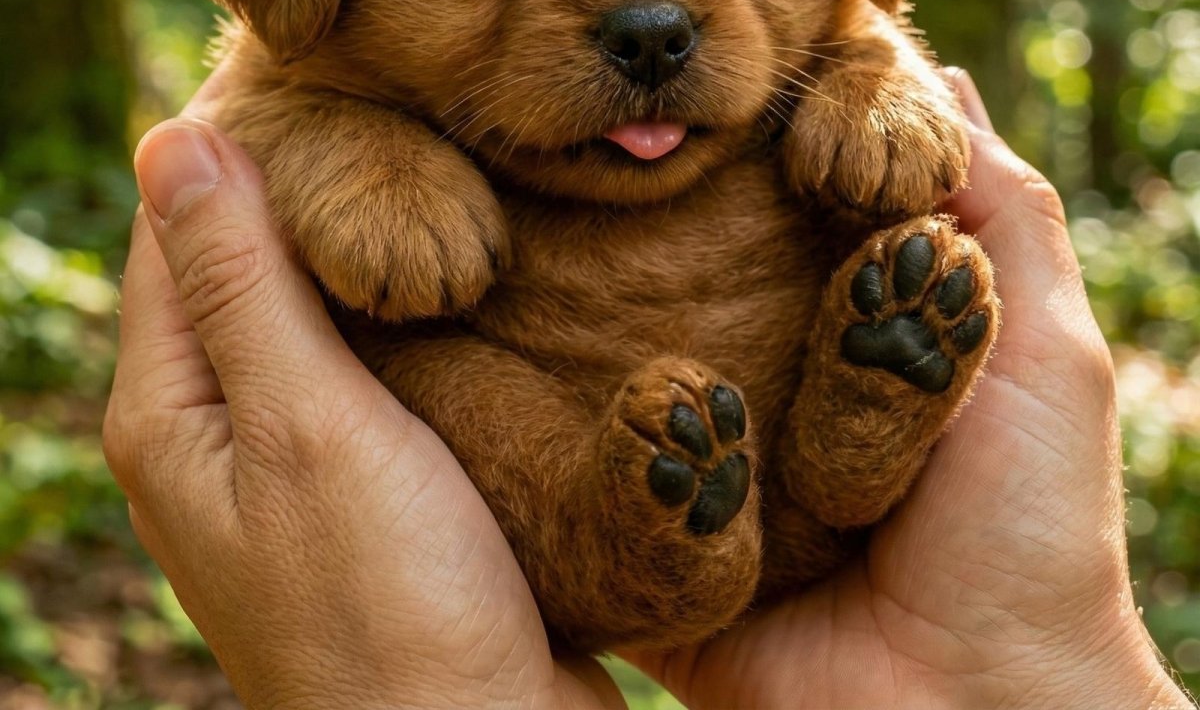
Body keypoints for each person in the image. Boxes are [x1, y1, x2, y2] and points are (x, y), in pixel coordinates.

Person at [103, 70, 1192, 710]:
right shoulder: (324, 78)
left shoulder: (796, 46)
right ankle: (631, 539)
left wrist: (872, 72)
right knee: (421, 368)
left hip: (831, 508)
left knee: (893, 253)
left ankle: (851, 436)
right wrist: (335, 148)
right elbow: (270, 94)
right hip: (541, 472)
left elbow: (863, 25)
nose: (652, 14)